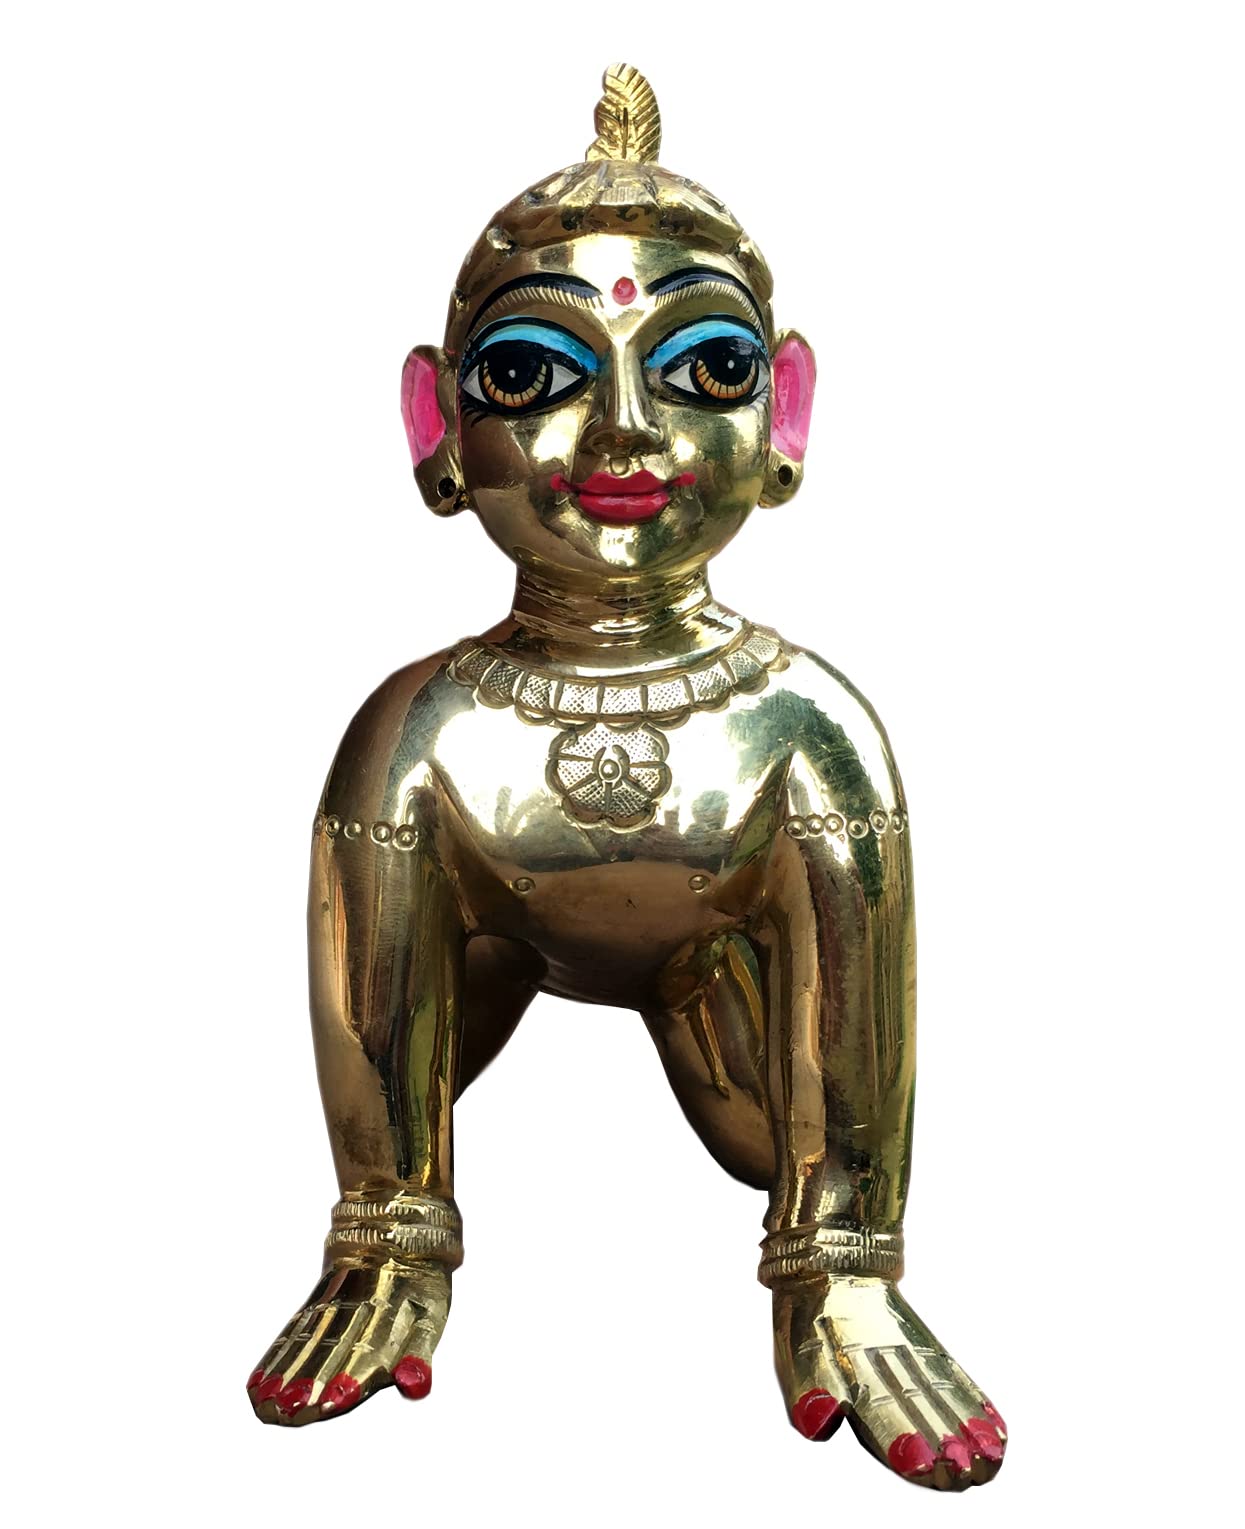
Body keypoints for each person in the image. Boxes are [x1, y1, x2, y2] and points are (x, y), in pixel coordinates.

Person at [246, 63, 1006, 1491]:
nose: (622, 436)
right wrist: (387, 1227)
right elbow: (371, 1003)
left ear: (783, 418)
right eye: (532, 374)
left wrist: (845, 1266)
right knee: (407, 1056)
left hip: (723, 976)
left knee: (766, 1139)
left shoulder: (806, 725)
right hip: (487, 948)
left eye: (702, 369)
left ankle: (826, 1266)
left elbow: (855, 1024)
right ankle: (397, 1241)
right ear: (434, 429)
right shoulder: (420, 731)